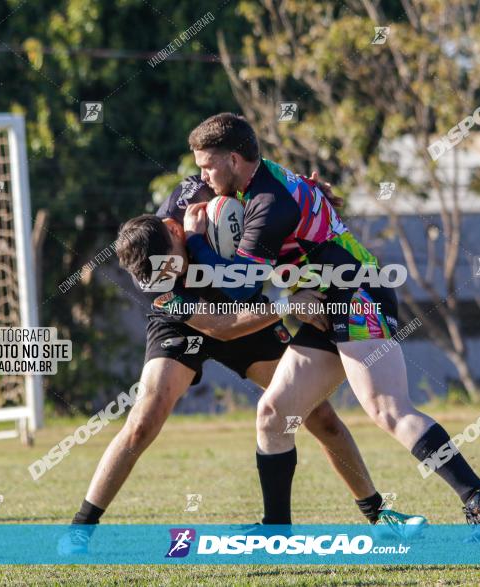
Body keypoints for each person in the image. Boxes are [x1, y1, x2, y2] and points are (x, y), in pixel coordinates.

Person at [58, 176, 423, 555]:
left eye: (173, 266)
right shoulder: (158, 283)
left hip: (246, 313)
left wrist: (310, 193)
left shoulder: (198, 193)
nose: (172, 277)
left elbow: (257, 177)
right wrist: (287, 305)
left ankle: (379, 516)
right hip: (196, 322)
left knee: (320, 418)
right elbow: (218, 329)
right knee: (143, 421)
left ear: (173, 229)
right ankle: (81, 529)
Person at [184, 113, 480, 533]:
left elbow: (240, 289)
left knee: (388, 409)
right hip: (329, 298)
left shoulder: (267, 202)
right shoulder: (259, 184)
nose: (203, 177)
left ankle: (478, 495)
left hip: (357, 295)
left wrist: (195, 240)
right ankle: (276, 529)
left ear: (233, 158)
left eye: (207, 166)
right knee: (274, 413)